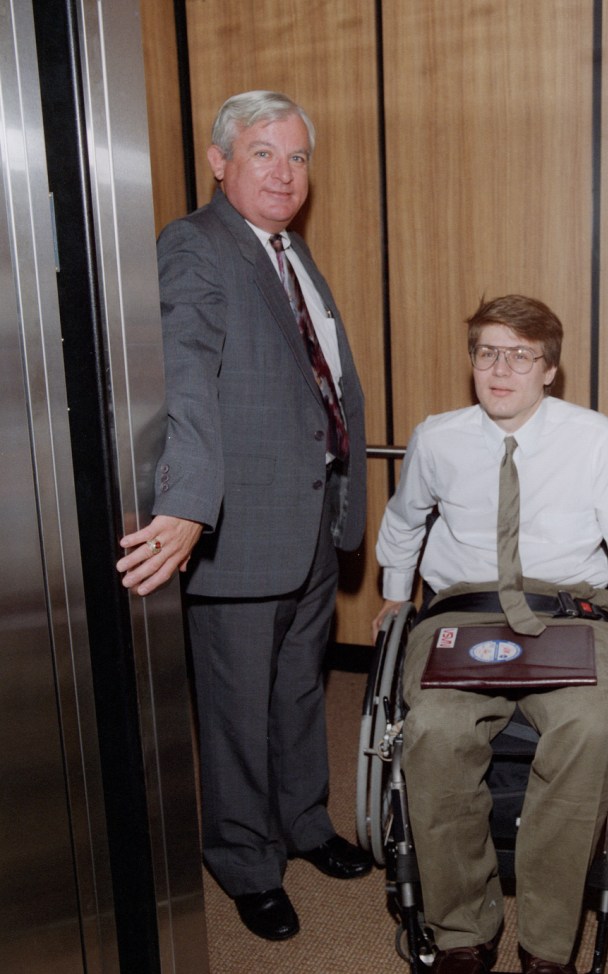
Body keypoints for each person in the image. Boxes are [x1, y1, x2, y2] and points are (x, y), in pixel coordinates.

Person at [115, 91, 372, 940]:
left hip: (304, 519)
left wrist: (345, 500)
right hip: (237, 527)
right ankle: (241, 857)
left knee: (300, 688)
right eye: (263, 153)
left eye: (297, 157)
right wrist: (188, 502)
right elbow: (186, 375)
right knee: (232, 706)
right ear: (221, 161)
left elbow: (317, 380)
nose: (285, 172)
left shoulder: (287, 250)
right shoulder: (195, 246)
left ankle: (303, 822)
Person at [373, 295, 608, 974]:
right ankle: (462, 933)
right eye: (488, 352)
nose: (500, 369)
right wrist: (397, 595)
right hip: (462, 611)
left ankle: (547, 946)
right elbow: (403, 522)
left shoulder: (593, 437)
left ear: (550, 369)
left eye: (520, 355)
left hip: (570, 612)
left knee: (591, 726)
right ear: (473, 362)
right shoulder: (438, 437)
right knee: (433, 729)